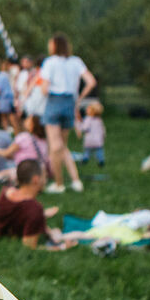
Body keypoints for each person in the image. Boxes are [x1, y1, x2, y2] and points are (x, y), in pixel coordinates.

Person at [40, 33, 96, 193]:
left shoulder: (49, 63)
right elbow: (91, 82)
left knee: (55, 147)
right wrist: (78, 98)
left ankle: (59, 184)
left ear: (55, 45)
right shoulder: (76, 61)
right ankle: (76, 181)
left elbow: (44, 89)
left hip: (54, 102)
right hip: (69, 102)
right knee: (63, 146)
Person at [0, 159, 67, 249]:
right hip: (5, 232)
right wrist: (62, 247)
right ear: (36, 180)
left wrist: (45, 223)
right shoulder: (34, 209)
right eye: (45, 176)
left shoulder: (8, 190)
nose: (46, 178)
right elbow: (29, 246)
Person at [76, 102, 106, 167]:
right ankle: (101, 160)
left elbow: (84, 128)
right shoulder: (99, 120)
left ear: (91, 111)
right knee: (99, 151)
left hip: (89, 140)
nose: (86, 109)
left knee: (87, 151)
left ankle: (85, 159)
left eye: (88, 108)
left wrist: (78, 123)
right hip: (98, 141)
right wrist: (103, 137)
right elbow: (103, 130)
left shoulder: (88, 119)